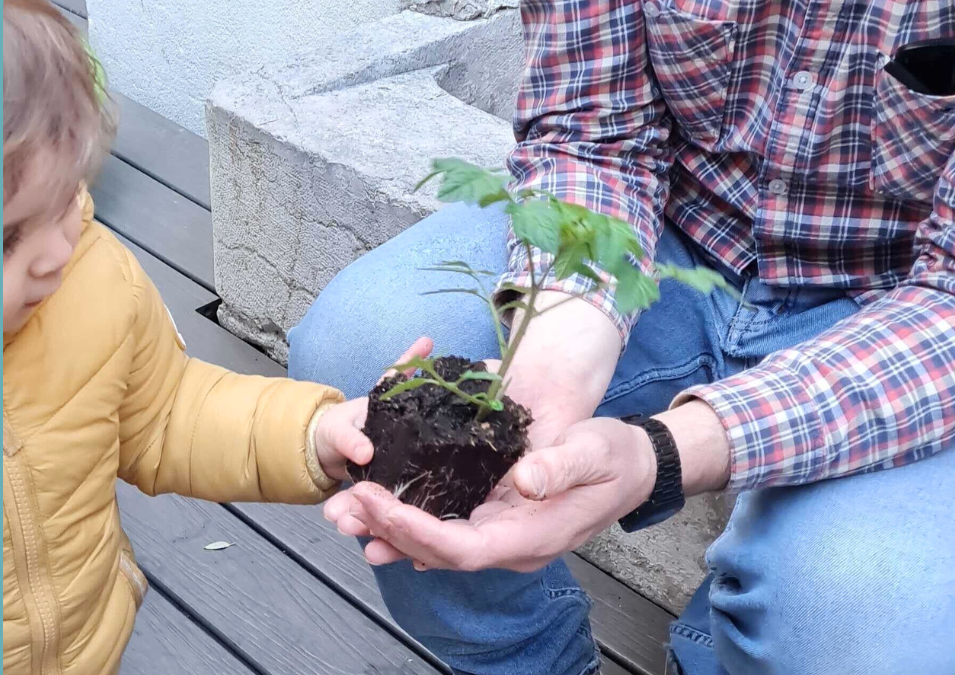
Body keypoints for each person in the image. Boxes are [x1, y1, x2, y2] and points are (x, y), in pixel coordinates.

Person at [293, 0, 955, 673]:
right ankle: (525, 662)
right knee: (360, 343)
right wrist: (557, 338)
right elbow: (590, 131)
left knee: (857, 616)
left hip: (902, 308)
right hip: (671, 231)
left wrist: (662, 454)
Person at [1, 3, 424, 673]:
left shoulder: (89, 279)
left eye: (65, 198)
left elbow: (168, 413)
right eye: (7, 238)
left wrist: (313, 435)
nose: (56, 249)